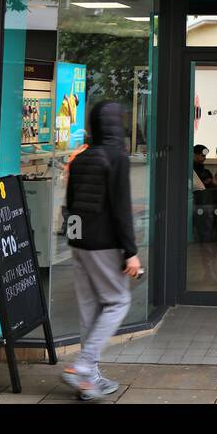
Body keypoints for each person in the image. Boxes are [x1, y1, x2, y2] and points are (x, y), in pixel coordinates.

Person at [62, 101, 141, 401]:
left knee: (89, 308)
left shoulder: (81, 157)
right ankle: (83, 365)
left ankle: (88, 379)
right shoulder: (117, 157)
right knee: (118, 301)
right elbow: (121, 208)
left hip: (79, 242)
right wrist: (130, 251)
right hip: (104, 243)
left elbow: (70, 203)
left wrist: (74, 240)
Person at [191, 144, 217, 243]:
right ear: (195, 155)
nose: (204, 158)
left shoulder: (204, 170)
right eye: (202, 155)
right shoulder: (192, 169)